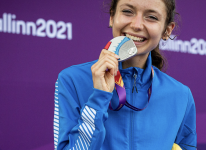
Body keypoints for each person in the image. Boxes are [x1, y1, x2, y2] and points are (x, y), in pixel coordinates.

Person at [53, 0, 197, 149]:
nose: (137, 25)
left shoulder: (181, 95)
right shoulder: (72, 80)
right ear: (112, 17)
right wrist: (99, 97)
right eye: (128, 11)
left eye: (152, 17)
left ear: (167, 30)